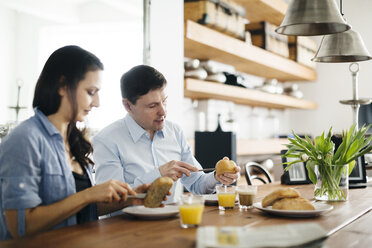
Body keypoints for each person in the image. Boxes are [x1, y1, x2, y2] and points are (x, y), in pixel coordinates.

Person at [0, 46, 158, 240]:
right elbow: (21, 226)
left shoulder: (74, 139)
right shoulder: (24, 140)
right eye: (91, 92)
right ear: (62, 86)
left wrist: (132, 199)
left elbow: (80, 211)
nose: (97, 102)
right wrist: (88, 195)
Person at [93, 65, 240, 203]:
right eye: (153, 106)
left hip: (169, 223)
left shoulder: (175, 132)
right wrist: (158, 175)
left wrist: (216, 177)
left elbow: (196, 183)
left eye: (164, 101)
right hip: (125, 228)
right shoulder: (106, 140)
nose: (163, 112)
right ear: (128, 106)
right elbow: (111, 200)